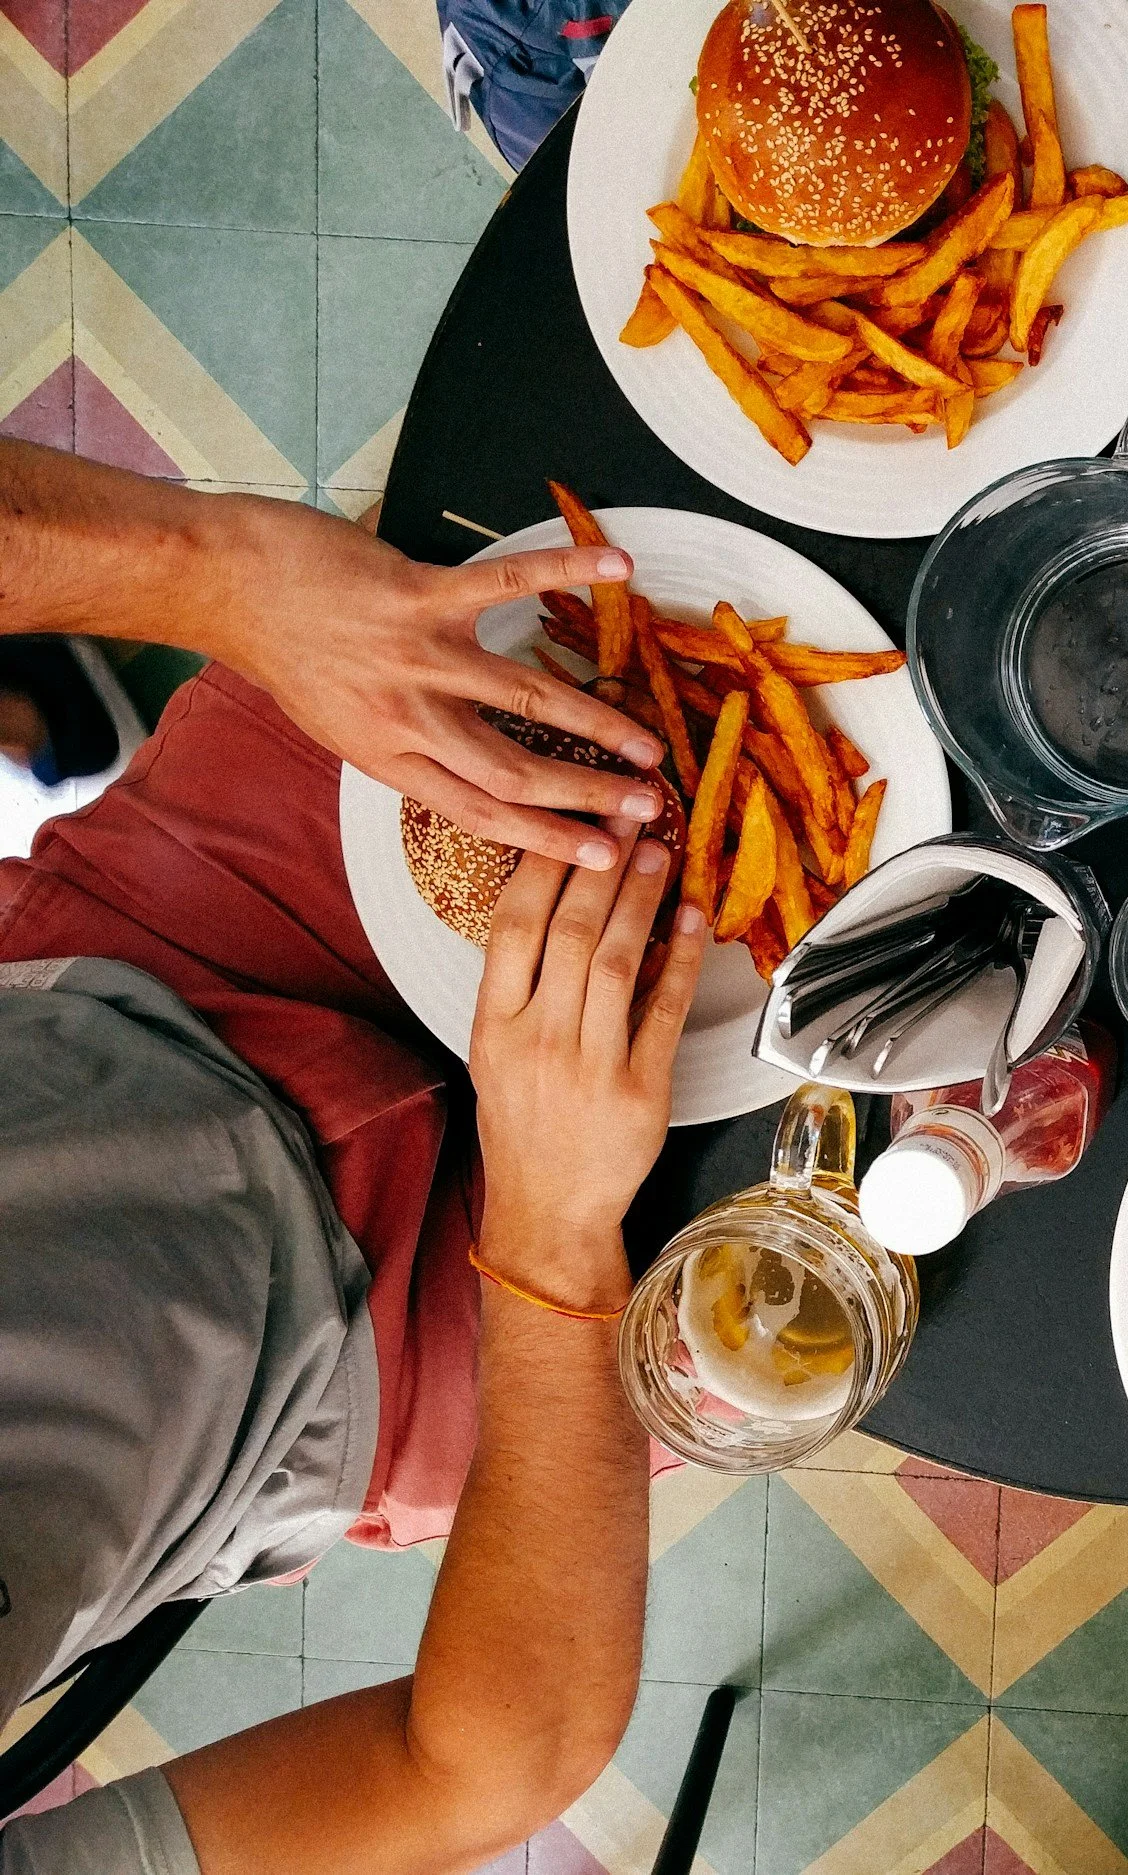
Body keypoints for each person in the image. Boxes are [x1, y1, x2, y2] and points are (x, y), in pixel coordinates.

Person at [0, 438, 697, 1865]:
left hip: (120, 974)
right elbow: (473, 1761)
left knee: (577, 502)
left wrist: (215, 574)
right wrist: (557, 1237)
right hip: (359, 1390)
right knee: (929, 1167)